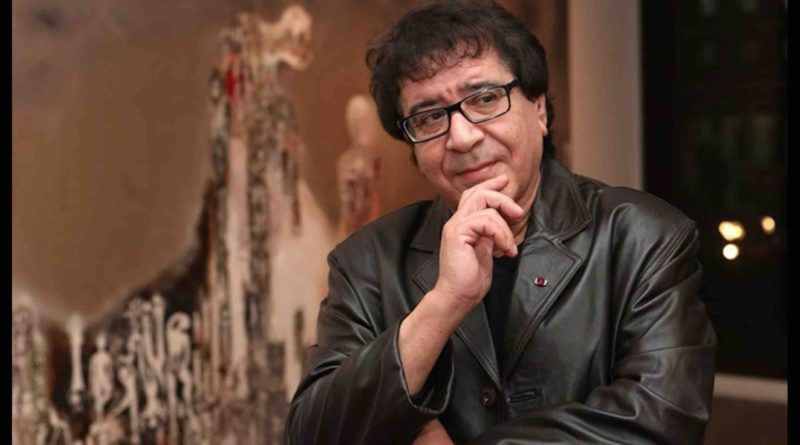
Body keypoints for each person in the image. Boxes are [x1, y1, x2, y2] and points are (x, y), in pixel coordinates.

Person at [285, 1, 716, 444]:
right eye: (430, 116)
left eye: (485, 99)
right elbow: (312, 435)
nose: (462, 136)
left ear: (539, 109)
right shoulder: (367, 261)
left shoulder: (644, 237)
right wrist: (443, 304)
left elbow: (663, 419)